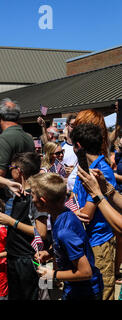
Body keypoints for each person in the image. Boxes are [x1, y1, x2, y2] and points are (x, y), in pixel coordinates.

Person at [0, 152, 48, 300]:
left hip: (30, 259)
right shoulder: (16, 189)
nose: (8, 170)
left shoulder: (35, 197)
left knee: (35, 295)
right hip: (14, 257)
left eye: (10, 167)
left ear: (18, 170)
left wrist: (11, 222)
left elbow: (41, 232)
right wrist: (8, 183)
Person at [30, 173, 104, 300]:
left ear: (43, 201)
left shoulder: (65, 232)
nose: (32, 199)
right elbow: (65, 247)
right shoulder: (59, 214)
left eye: (32, 195)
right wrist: (50, 253)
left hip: (84, 293)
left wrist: (53, 274)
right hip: (73, 288)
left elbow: (86, 272)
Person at [70, 123, 117, 300]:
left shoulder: (101, 170)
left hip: (99, 242)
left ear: (78, 146)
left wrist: (71, 213)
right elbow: (72, 200)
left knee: (103, 292)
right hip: (85, 240)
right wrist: (72, 211)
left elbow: (86, 215)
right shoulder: (82, 168)